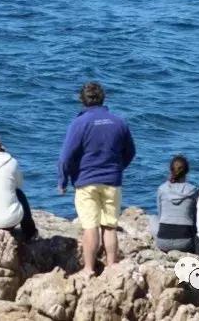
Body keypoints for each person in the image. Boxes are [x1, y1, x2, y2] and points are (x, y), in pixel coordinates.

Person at [57, 81, 136, 277]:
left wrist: (63, 180)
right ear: (103, 98)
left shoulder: (79, 123)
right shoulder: (119, 122)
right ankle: (111, 266)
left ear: (82, 100)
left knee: (90, 227)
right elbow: (131, 152)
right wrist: (118, 168)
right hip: (112, 181)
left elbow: (66, 156)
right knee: (109, 226)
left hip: (86, 181)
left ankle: (89, 269)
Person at [154, 155, 198, 253]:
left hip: (163, 242)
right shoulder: (193, 190)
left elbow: (160, 215)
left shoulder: (162, 189)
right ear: (187, 171)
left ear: (171, 170)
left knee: (152, 220)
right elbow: (195, 218)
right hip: (185, 242)